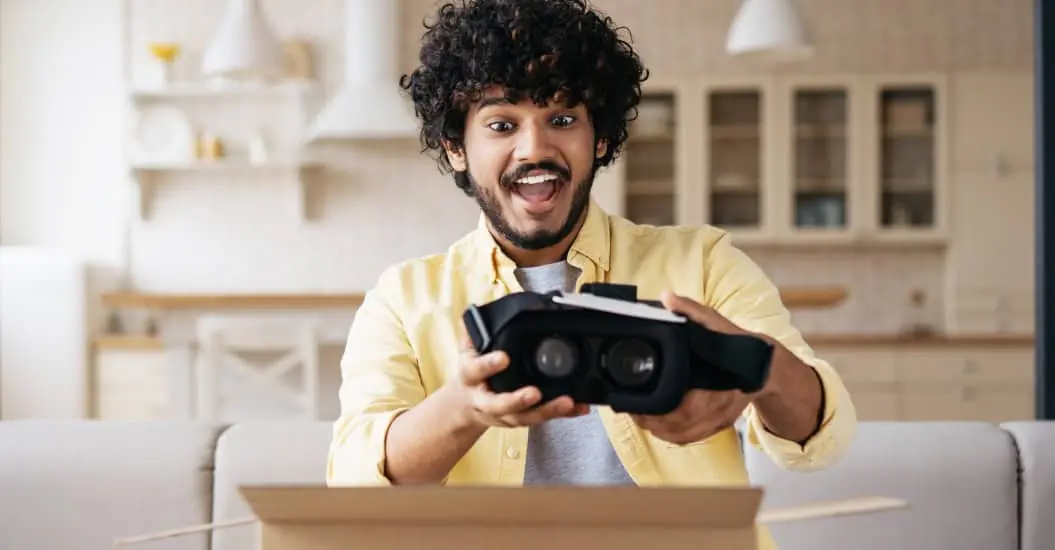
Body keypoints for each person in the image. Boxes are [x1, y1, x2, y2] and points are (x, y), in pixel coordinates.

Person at [328, 1, 856, 544]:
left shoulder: (701, 263)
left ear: (599, 139)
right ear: (457, 148)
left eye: (562, 120)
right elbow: (354, 487)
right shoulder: (404, 299)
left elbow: (824, 437)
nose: (535, 149)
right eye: (502, 124)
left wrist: (756, 367)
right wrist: (463, 407)